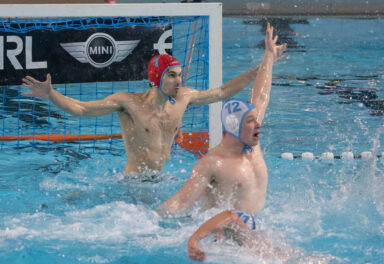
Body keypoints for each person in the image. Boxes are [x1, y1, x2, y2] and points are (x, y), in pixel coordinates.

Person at [21, 52, 262, 174]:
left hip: (160, 178)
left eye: (179, 75)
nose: (179, 80)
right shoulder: (128, 103)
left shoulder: (184, 98)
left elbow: (222, 92)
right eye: (172, 75)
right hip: (134, 182)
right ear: (156, 77)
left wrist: (255, 72)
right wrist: (51, 95)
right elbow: (81, 109)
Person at [157, 23, 286, 216]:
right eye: (250, 120)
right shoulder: (211, 164)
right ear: (234, 127)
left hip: (253, 226)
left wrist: (268, 56)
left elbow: (260, 97)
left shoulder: (252, 145)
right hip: (224, 236)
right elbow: (180, 202)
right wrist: (149, 222)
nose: (258, 123)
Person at [186, 209, 288, 262]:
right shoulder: (262, 244)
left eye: (217, 228)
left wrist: (193, 240)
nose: (215, 233)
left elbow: (230, 216)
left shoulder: (248, 242)